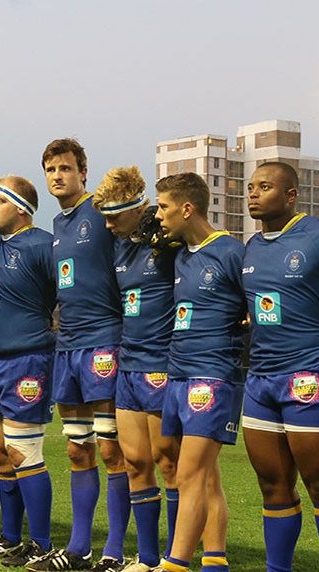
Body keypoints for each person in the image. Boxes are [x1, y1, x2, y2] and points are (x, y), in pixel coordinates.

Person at [240, 161, 319, 572]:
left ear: (290, 195)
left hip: (311, 373)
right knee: (272, 485)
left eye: (264, 187)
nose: (253, 194)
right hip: (260, 378)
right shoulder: (251, 247)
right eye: (251, 187)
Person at [31, 138, 127, 572]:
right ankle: (79, 549)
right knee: (76, 450)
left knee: (111, 450)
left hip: (104, 340)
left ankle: (115, 552)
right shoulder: (58, 222)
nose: (57, 176)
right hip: (66, 344)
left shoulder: (102, 212)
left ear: (83, 172)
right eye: (51, 169)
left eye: (65, 168)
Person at [154, 173, 246, 572]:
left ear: (187, 209)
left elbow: (261, 300)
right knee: (205, 477)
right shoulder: (180, 255)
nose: (159, 215)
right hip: (179, 372)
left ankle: (175, 564)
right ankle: (215, 561)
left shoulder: (231, 252)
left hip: (212, 375)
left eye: (163, 207)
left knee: (189, 474)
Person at [92, 166, 181, 572]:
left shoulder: (167, 239)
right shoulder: (118, 245)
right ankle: (145, 558)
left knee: (168, 462)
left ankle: (174, 558)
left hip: (161, 364)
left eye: (114, 216)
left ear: (137, 208)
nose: (108, 225)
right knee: (135, 463)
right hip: (128, 364)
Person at [0, 176, 57, 566]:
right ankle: (10, 539)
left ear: (21, 208)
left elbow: (68, 292)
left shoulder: (43, 245)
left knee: (23, 451)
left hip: (28, 360)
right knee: (1, 451)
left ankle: (41, 542)